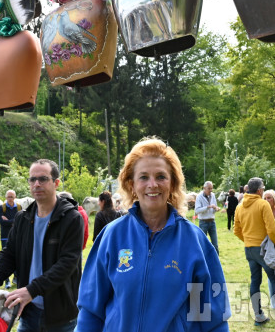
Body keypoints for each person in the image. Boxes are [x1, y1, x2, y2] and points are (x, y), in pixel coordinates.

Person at [76, 138, 230, 331]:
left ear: (172, 183)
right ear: (131, 184)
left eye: (160, 177)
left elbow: (213, 320)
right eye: (143, 177)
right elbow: (90, 312)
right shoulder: (111, 236)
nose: (152, 184)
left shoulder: (195, 242)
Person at [0, 159, 84, 332]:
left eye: (43, 179)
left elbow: (67, 264)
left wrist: (32, 290)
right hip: (27, 309)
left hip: (60, 313)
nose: (37, 184)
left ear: (56, 183)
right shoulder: (22, 218)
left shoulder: (71, 218)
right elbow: (9, 254)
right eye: (32, 179)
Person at [234, 177, 275, 327]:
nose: (263, 191)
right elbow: (271, 229)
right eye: (263, 189)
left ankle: (259, 316)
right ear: (259, 190)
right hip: (264, 249)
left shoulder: (239, 206)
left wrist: (248, 240)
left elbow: (236, 230)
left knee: (255, 282)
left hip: (249, 249)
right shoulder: (262, 204)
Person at [0, 190, 21, 289]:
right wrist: (14, 221)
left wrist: (9, 221)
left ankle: (16, 277)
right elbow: (2, 223)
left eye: (12, 197)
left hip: (16, 236)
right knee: (5, 258)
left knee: (17, 256)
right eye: (8, 197)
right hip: (5, 236)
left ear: (15, 197)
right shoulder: (1, 207)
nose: (10, 199)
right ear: (5, 197)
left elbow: (21, 221)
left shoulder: (19, 207)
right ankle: (6, 280)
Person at [194, 181, 220, 254]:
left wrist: (216, 209)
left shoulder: (213, 195)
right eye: (209, 188)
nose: (211, 190)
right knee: (202, 244)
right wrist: (208, 207)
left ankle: (216, 263)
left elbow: (214, 207)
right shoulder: (199, 196)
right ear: (204, 188)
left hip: (212, 222)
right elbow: (197, 210)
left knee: (215, 244)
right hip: (203, 222)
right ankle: (203, 262)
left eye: (211, 188)